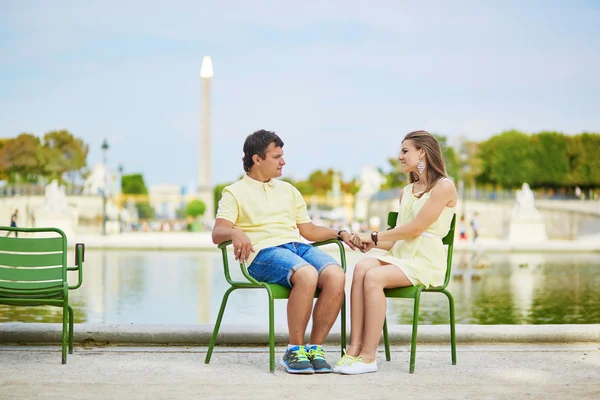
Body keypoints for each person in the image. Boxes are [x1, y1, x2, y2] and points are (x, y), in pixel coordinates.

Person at [211, 129, 359, 375]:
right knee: (307, 274)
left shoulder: (289, 190)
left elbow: (308, 230)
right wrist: (235, 232)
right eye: (277, 156)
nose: (283, 161)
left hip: (296, 247)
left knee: (336, 275)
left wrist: (340, 234)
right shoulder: (233, 192)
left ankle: (314, 349)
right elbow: (218, 233)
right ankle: (294, 349)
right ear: (257, 159)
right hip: (262, 254)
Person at [337, 130, 457, 375]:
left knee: (374, 276)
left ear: (422, 152)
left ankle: (369, 357)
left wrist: (373, 236)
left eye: (405, 151)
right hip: (402, 258)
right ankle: (354, 349)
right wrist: (374, 244)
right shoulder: (407, 191)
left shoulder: (444, 187)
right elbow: (398, 239)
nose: (400, 156)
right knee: (361, 267)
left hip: (426, 262)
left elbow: (415, 228)